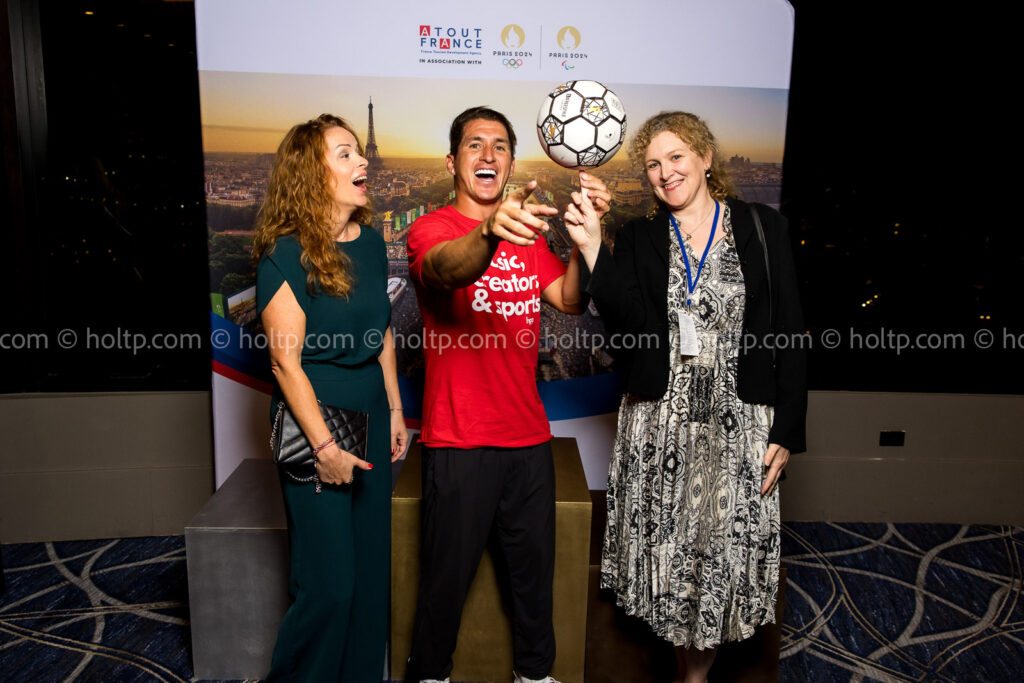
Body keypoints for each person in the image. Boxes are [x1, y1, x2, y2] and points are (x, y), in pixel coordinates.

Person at [565, 111, 807, 683]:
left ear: (704, 157)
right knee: (673, 564)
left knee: (720, 556)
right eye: (653, 164)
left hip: (739, 420)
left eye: (676, 158)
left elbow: (791, 331)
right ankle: (690, 676)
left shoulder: (762, 227)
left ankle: (692, 677)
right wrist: (596, 247)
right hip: (661, 422)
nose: (665, 172)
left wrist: (788, 430)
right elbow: (628, 330)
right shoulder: (645, 236)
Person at [404, 106, 610, 683]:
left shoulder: (526, 236)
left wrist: (584, 239)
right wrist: (490, 233)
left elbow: (568, 299)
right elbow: (446, 270)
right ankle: (430, 675)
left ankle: (536, 677)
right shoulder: (434, 230)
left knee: (533, 586)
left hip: (528, 440)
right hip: (460, 442)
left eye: (499, 145)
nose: (488, 155)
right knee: (444, 587)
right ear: (453, 161)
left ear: (512, 162)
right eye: (474, 144)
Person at [253, 113, 408, 682]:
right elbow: (284, 363)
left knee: (370, 581)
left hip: (369, 408)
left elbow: (382, 331)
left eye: (357, 152)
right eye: (344, 154)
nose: (361, 161)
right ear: (311, 175)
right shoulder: (284, 254)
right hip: (315, 421)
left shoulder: (369, 244)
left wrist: (394, 408)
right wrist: (323, 447)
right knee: (330, 587)